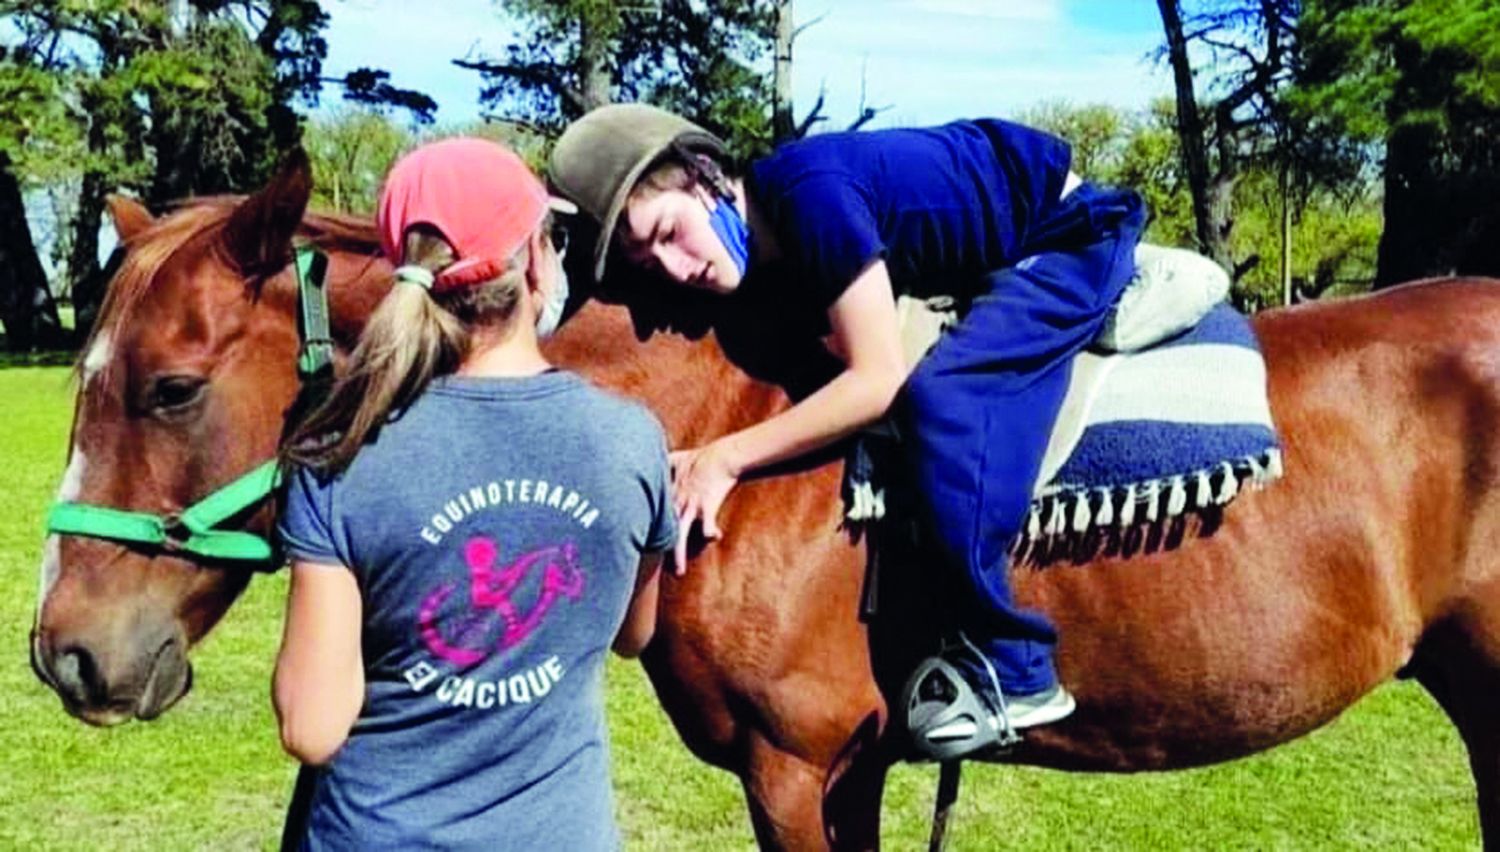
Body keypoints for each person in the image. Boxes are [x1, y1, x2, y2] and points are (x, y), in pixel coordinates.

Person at [549, 104, 1147, 759]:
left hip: (1067, 236)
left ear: (704, 175)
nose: (672, 264)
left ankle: (1015, 665)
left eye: (667, 230)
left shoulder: (811, 199)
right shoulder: (777, 240)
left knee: (948, 402)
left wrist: (725, 459)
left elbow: (877, 380)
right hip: (1005, 241)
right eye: (646, 258)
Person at [273, 137, 677, 850]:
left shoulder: (338, 452)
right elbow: (633, 634)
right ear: (537, 264)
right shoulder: (631, 440)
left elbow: (312, 726)